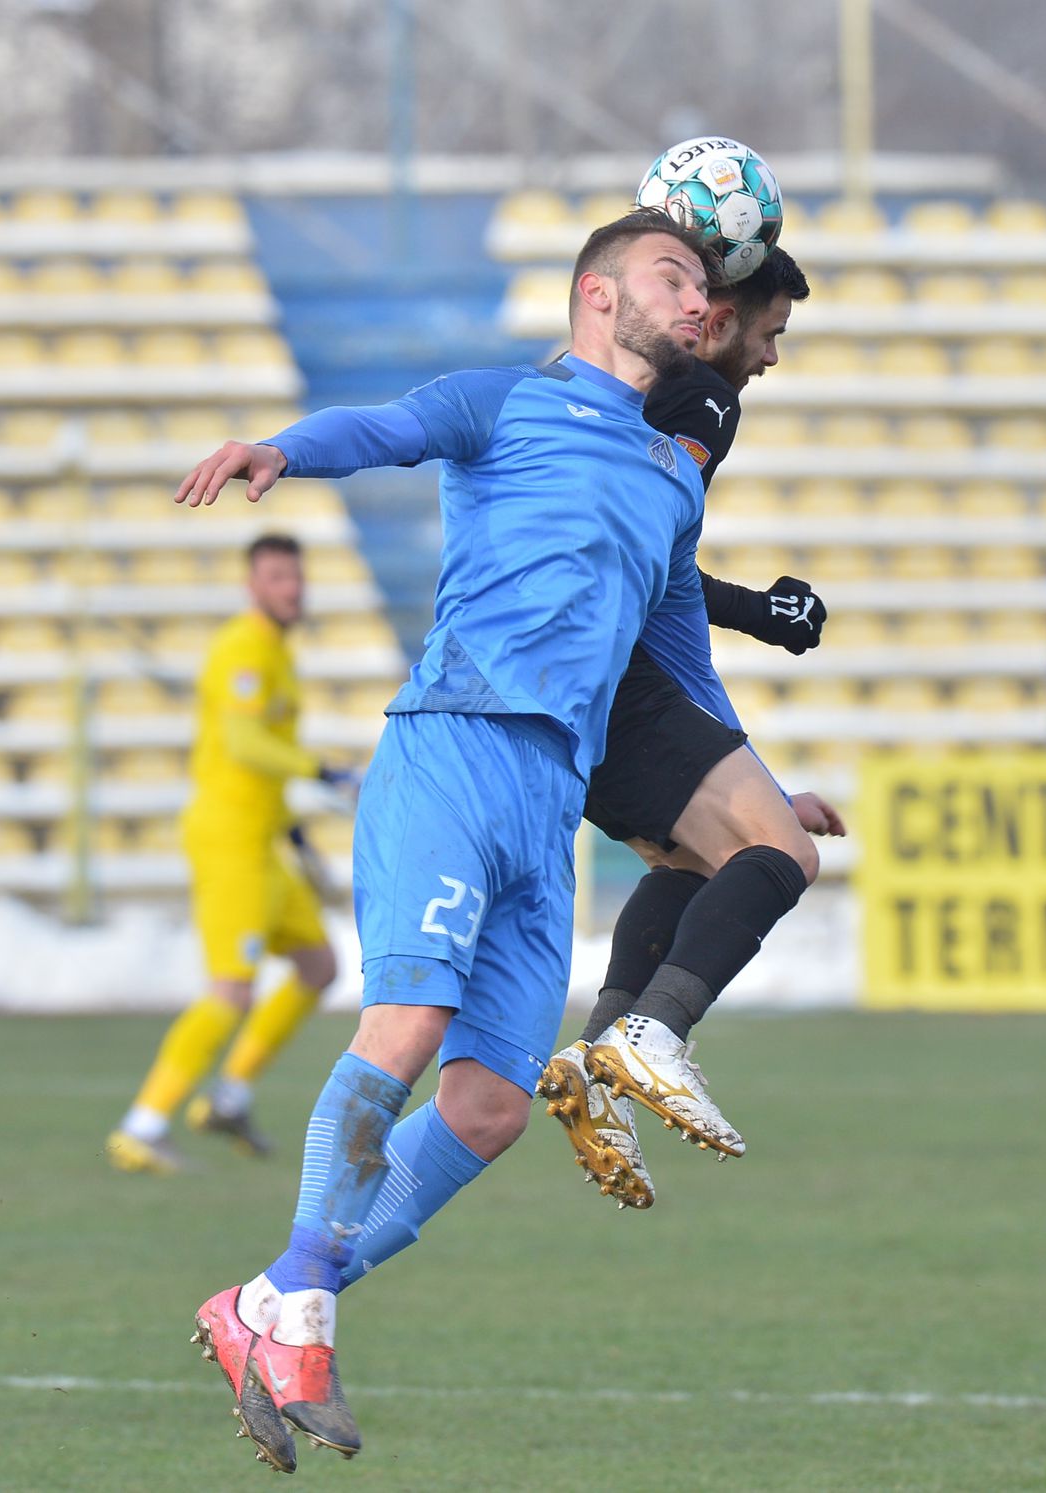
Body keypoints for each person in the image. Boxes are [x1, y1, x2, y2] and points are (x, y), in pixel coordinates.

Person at [183, 209, 723, 1472]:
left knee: (486, 1109)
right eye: (672, 274)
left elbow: (681, 651)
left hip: (553, 805)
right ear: (598, 293)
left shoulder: (667, 474)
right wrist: (282, 450)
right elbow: (385, 427)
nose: (696, 301)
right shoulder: (507, 402)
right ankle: (302, 1318)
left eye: (703, 284)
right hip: (454, 747)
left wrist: (757, 794)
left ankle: (267, 1299)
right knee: (409, 1024)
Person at [540, 246, 846, 1210]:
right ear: (721, 317)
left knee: (697, 865)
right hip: (621, 688)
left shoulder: (621, 393)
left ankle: (600, 1059)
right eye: (770, 333)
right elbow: (633, 544)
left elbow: (656, 564)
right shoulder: (702, 401)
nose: (770, 357)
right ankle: (653, 1035)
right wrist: (762, 613)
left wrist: (757, 612)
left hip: (584, 690)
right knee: (782, 855)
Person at [106, 534, 349, 1176]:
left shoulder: (276, 652)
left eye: (295, 577)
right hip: (229, 844)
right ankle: (141, 1127)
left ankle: (229, 1096)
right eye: (276, 578)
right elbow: (243, 742)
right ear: (253, 585)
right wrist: (322, 773)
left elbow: (260, 759)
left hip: (265, 843)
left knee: (320, 965)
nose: (290, 588)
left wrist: (297, 840)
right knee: (231, 993)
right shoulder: (242, 646)